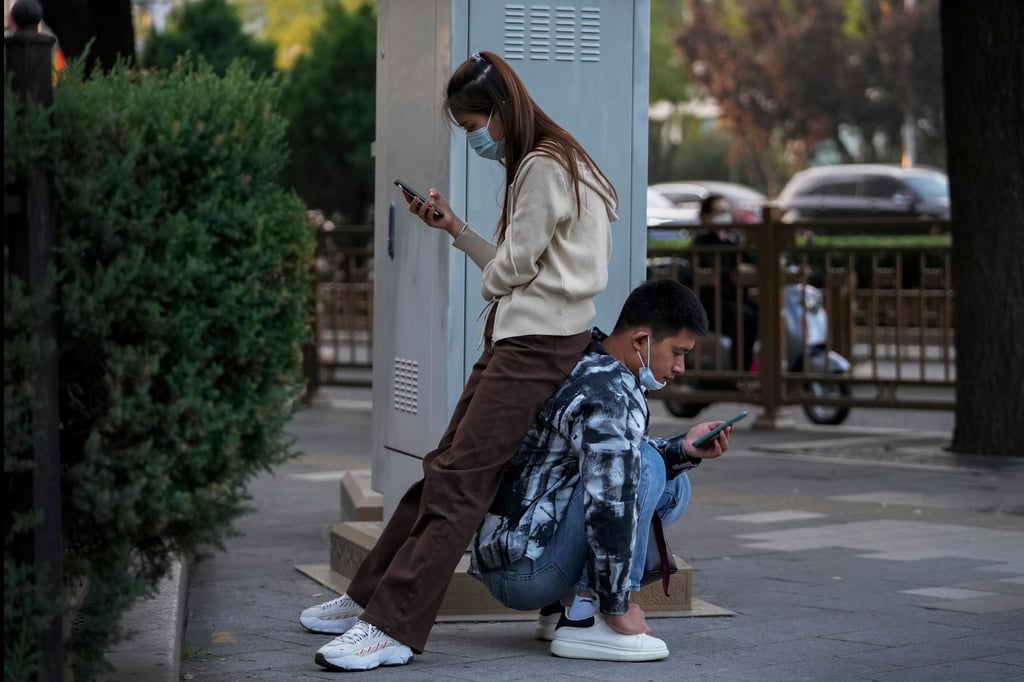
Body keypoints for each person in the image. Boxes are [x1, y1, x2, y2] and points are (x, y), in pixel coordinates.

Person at [302, 49, 619, 672]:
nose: (477, 139)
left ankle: (390, 627)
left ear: (499, 111)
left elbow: (514, 268)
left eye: (475, 128)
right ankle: (367, 598)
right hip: (527, 340)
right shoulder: (562, 158)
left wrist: (496, 276)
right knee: (444, 471)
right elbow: (520, 263)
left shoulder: (541, 165)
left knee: (460, 483)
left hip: (533, 348)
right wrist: (456, 229)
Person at [469, 279, 731, 662]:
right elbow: (613, 497)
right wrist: (617, 604)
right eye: (677, 352)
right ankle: (589, 617)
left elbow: (605, 460)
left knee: (674, 483)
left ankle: (561, 607)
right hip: (524, 571)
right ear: (641, 340)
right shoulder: (608, 392)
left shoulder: (593, 363)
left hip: (516, 552)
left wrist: (683, 449)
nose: (680, 367)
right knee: (644, 469)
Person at [692, 194, 759, 371]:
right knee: (745, 316)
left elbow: (753, 259)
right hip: (712, 302)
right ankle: (740, 369)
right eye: (718, 212)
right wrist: (732, 272)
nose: (723, 215)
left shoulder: (733, 239)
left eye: (725, 211)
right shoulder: (702, 242)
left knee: (759, 311)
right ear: (706, 216)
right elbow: (706, 270)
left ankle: (753, 365)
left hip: (735, 298)